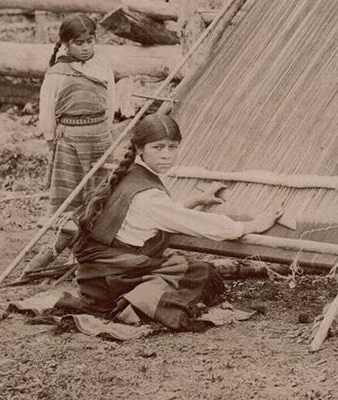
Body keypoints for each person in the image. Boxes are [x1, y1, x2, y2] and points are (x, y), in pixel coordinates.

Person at [71, 113, 282, 331]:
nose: (167, 156)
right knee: (200, 272)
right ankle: (133, 304)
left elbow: (157, 215)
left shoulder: (130, 175)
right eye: (158, 147)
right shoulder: (149, 195)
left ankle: (137, 298)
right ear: (140, 149)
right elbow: (200, 225)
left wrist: (196, 200)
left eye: (173, 147)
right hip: (114, 278)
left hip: (96, 275)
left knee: (182, 266)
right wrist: (251, 226)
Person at [25, 14, 119, 276]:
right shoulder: (58, 73)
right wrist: (50, 141)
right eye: (79, 43)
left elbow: (110, 102)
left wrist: (105, 130)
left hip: (100, 137)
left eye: (90, 41)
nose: (86, 47)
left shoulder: (102, 66)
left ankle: (98, 245)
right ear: (66, 44)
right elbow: (47, 111)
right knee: (72, 194)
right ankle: (71, 244)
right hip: (70, 140)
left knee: (101, 192)